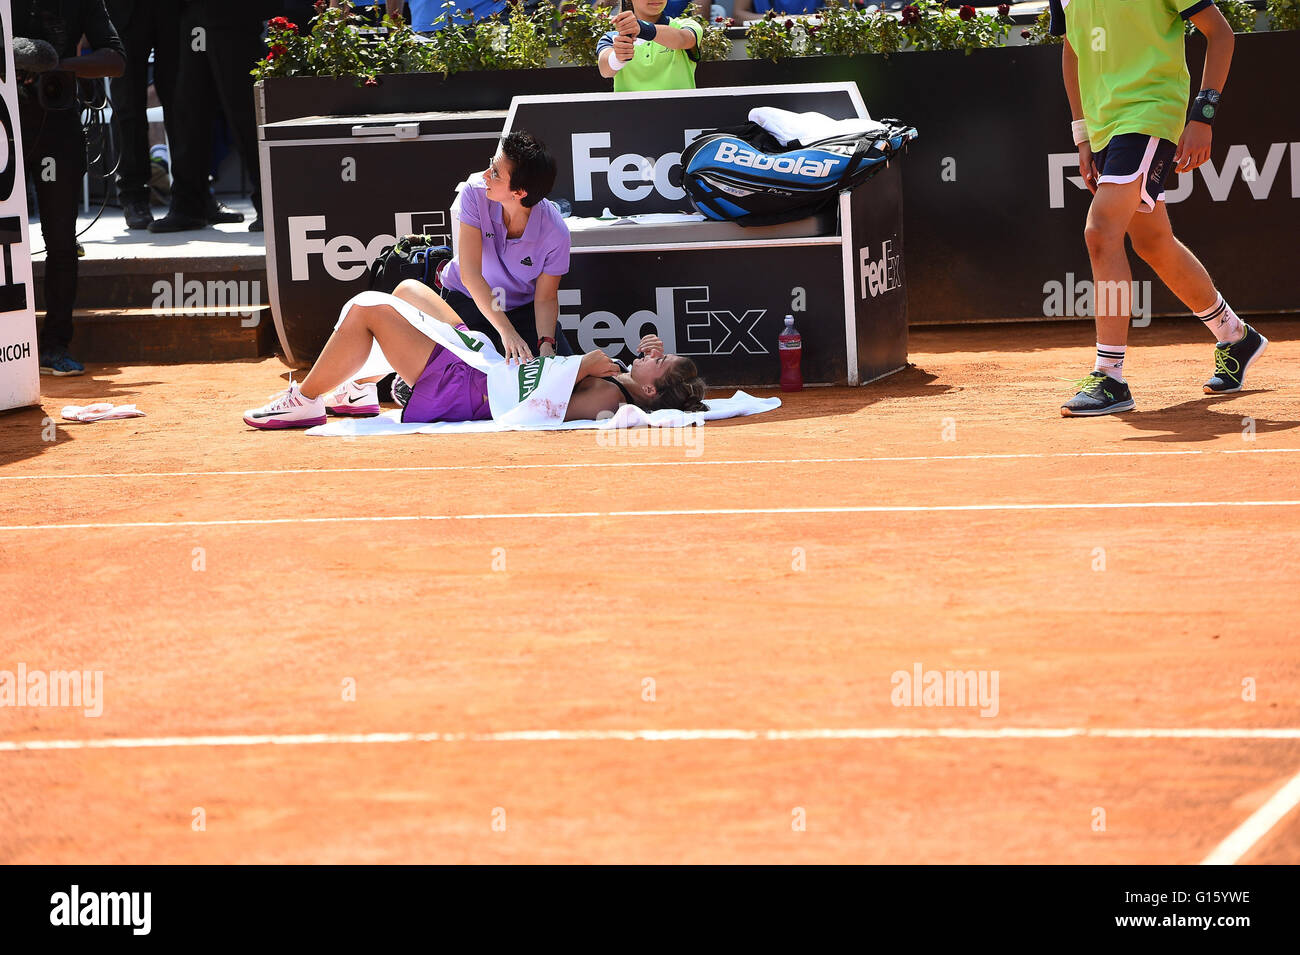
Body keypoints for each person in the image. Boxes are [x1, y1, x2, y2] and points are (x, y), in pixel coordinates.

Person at [1052, 0, 1266, 417]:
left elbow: (1220, 32)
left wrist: (1202, 116)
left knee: (1100, 232)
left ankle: (1109, 376)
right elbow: (1072, 49)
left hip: (1150, 113)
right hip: (1103, 125)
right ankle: (1235, 336)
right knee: (1153, 241)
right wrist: (1082, 136)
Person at [241, 283, 707, 428]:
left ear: (649, 388)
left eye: (658, 365)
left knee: (369, 309)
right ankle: (360, 389)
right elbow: (627, 374)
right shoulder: (622, 380)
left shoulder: (611, 401)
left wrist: (583, 364)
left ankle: (304, 400)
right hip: (482, 363)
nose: (651, 357)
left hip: (464, 389)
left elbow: (549, 409)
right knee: (409, 289)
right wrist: (644, 357)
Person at [15, 0, 126, 377]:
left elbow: (116, 60)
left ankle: (55, 346)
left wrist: (58, 66)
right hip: (6, 126)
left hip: (59, 124)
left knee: (61, 241)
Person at [149, 1, 275, 232]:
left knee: (246, 111)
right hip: (193, 15)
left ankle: (270, 204)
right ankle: (188, 206)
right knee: (189, 110)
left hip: (233, 15)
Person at [106, 0, 180, 230]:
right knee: (127, 107)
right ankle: (133, 197)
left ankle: (194, 195)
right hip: (125, 10)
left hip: (175, 9)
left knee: (185, 103)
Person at [598, 0, 703, 92]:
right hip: (629, 113)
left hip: (681, 113)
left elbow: (684, 39)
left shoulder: (686, 25)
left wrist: (642, 28)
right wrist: (617, 57)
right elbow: (605, 70)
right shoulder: (611, 38)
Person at [732, 0, 823, 24]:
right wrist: (778, 20)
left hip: (813, 37)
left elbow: (834, 11)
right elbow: (738, 15)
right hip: (768, 40)